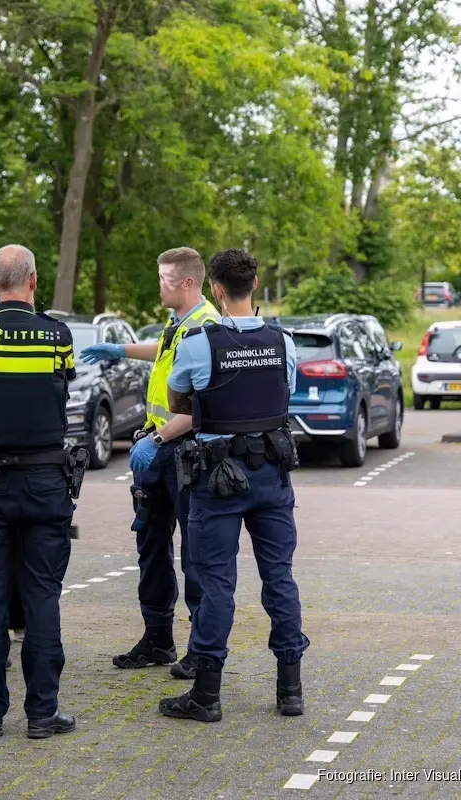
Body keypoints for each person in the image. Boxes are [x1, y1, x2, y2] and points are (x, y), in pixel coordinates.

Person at [155, 247, 309, 723]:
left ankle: (207, 695)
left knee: (216, 584)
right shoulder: (282, 342)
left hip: (217, 478)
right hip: (271, 474)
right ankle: (290, 690)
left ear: (216, 289)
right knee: (279, 578)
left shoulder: (199, 343)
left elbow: (178, 401)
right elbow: (284, 393)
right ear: (254, 285)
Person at [0, 244, 86, 740]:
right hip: (46, 481)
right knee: (42, 594)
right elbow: (62, 384)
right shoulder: (57, 335)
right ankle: (42, 713)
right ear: (33, 281)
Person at [79, 247, 221, 680]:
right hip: (159, 450)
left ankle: (200, 650)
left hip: (185, 452)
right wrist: (120, 350)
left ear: (188, 283)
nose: (158, 285)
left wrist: (158, 438)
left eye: (164, 279)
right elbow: (162, 350)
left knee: (195, 556)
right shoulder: (179, 322)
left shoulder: (207, 328)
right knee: (152, 548)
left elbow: (204, 407)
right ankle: (158, 639)